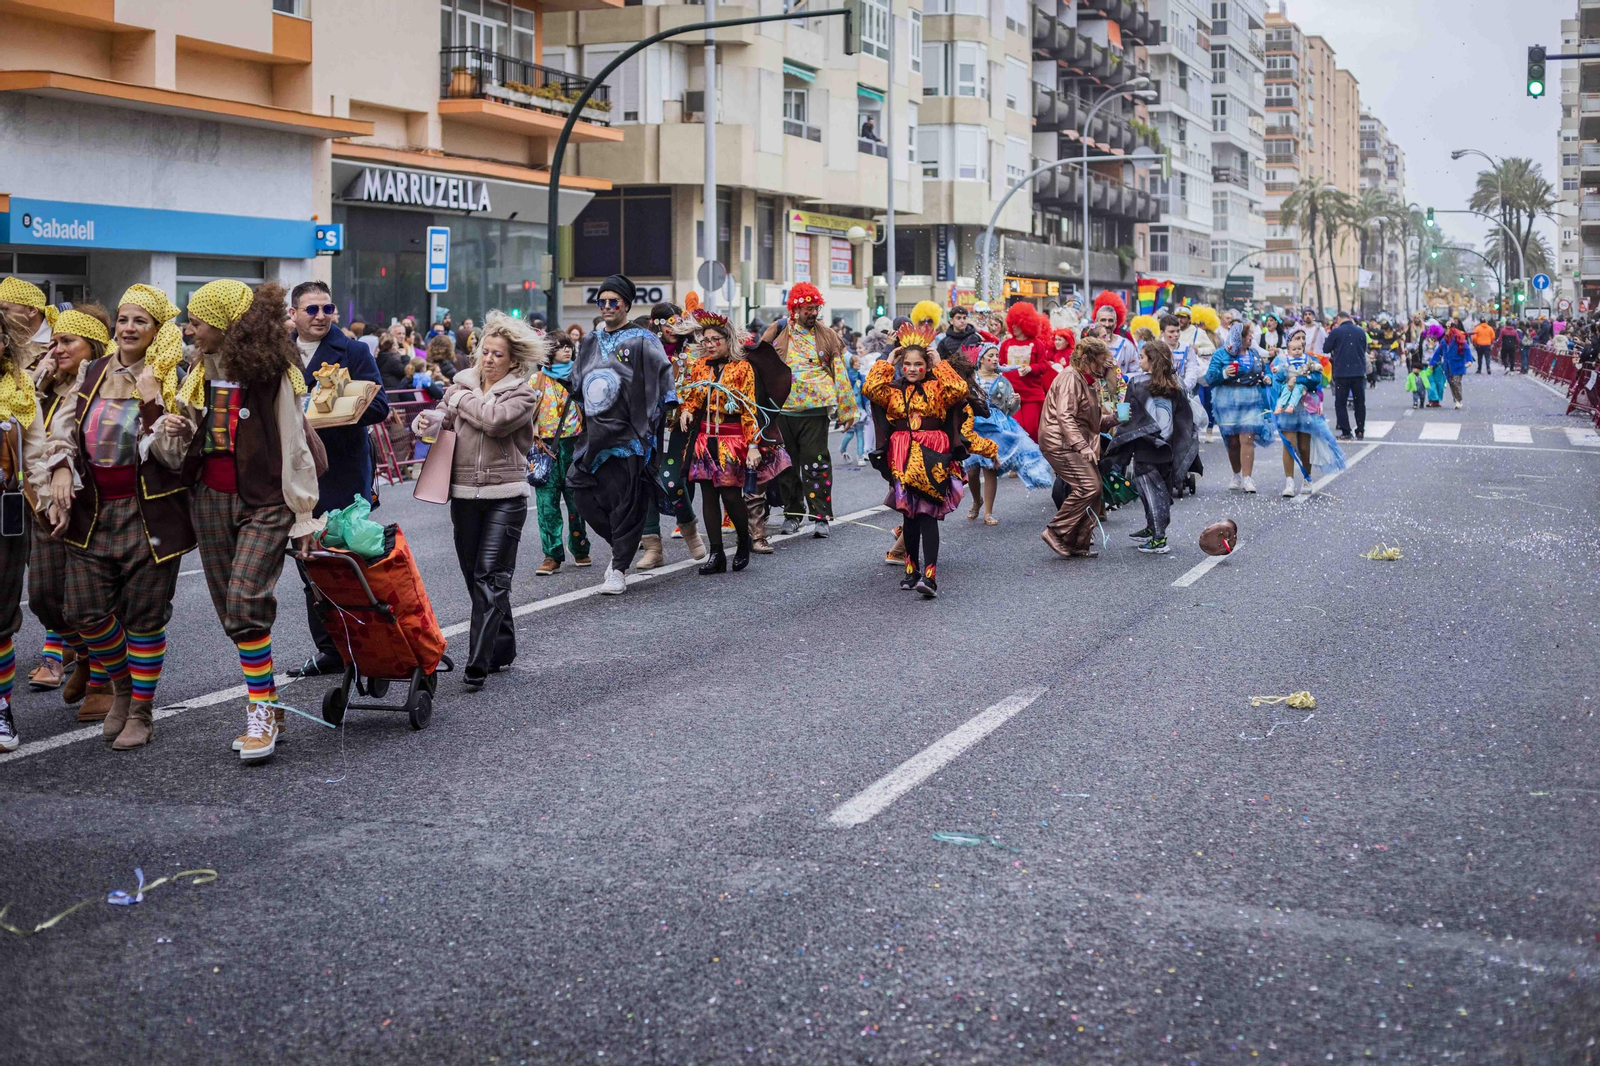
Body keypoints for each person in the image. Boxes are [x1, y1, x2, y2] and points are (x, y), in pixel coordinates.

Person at [168, 280, 323, 761]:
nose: (189, 330)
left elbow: (295, 447)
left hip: (265, 501)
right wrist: (164, 426)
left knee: (246, 598)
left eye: (197, 322)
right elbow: (179, 445)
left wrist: (303, 517)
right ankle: (268, 702)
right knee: (231, 613)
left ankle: (259, 712)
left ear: (225, 325)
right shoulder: (197, 371)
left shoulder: (274, 370)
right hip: (210, 499)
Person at [42, 285, 195, 751]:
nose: (128, 329)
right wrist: (63, 467)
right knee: (84, 609)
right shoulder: (93, 370)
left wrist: (152, 401)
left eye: (139, 322)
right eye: (124, 320)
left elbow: (175, 458)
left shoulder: (175, 375)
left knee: (145, 618)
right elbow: (62, 426)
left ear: (156, 331)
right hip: (94, 514)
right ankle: (124, 688)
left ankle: (141, 711)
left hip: (151, 514)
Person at [418, 314, 542, 688]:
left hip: (505, 495)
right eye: (485, 352)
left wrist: (459, 398)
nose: (488, 359)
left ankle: (478, 661)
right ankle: (502, 647)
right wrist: (428, 420)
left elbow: (494, 421)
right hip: (463, 494)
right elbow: (443, 418)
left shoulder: (522, 392)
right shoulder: (461, 385)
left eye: (497, 354)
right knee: (478, 578)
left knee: (490, 575)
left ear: (513, 361)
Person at [287, 281, 391, 677]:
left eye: (327, 308)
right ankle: (330, 649)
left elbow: (379, 405)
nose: (320, 316)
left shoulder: (353, 350)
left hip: (342, 471)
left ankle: (368, 643)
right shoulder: (279, 353)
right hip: (296, 474)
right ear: (293, 314)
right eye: (311, 309)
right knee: (307, 559)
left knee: (349, 561)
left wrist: (338, 407)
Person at [862, 324, 995, 598]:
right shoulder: (894, 390)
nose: (911, 369)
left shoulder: (938, 389)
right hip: (901, 453)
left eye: (918, 364)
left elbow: (958, 391)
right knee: (908, 515)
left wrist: (940, 363)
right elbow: (870, 388)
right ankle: (911, 571)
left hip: (932, 452)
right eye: (907, 364)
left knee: (927, 515)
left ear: (927, 365)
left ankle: (930, 578)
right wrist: (888, 361)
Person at [23, 307, 113, 713]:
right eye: (54, 341)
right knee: (43, 597)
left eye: (67, 342)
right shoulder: (41, 384)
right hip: (42, 503)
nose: (56, 349)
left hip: (87, 505)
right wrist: (37, 377)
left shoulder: (99, 384)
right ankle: (84, 655)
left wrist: (63, 469)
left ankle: (104, 682)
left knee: (86, 601)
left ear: (90, 347)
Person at [568, 274, 675, 595]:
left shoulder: (643, 339)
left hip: (630, 437)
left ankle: (618, 567)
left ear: (627, 305)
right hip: (594, 436)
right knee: (580, 491)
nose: (607, 307)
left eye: (613, 302)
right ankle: (622, 545)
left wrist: (667, 406)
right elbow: (577, 382)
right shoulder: (589, 341)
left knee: (626, 502)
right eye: (602, 302)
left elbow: (662, 372)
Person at [676, 307, 790, 574]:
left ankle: (742, 541)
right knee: (707, 495)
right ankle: (716, 554)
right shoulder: (699, 367)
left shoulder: (742, 369)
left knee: (731, 496)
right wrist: (686, 410)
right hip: (704, 439)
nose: (710, 345)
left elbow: (749, 409)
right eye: (706, 340)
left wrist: (753, 446)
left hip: (732, 439)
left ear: (728, 340)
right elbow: (692, 397)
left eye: (716, 339)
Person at [762, 283, 858, 537]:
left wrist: (848, 411)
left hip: (815, 411)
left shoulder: (827, 334)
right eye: (807, 309)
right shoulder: (779, 331)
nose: (813, 313)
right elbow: (759, 362)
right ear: (795, 309)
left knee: (816, 464)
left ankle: (821, 517)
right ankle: (793, 515)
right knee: (786, 467)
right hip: (783, 410)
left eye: (815, 308)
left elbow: (840, 372)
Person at [0, 305, 53, 752]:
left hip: (5, 517)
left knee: (0, 619)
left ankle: (1, 708)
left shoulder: (21, 393)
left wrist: (52, 505)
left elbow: (36, 459)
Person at [1106, 339, 1198, 554]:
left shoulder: (1136, 383)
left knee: (1149, 491)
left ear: (1152, 361)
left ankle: (1159, 539)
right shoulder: (1177, 384)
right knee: (1161, 491)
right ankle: (1152, 528)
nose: (1139, 361)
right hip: (1168, 447)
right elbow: (1185, 417)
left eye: (1142, 357)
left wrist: (1119, 439)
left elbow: (1125, 415)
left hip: (1145, 447)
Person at [1039, 336, 1116, 557]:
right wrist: (1082, 446)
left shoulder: (1086, 380)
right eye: (1099, 362)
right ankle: (1056, 532)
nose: (1102, 367)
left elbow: (1091, 423)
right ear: (1085, 359)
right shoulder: (1070, 378)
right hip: (1060, 442)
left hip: (1071, 442)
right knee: (1089, 486)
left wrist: (1114, 420)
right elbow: (1065, 417)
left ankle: (1076, 541)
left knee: (1094, 489)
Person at [964, 342, 1053, 523]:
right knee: (971, 471)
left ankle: (988, 512)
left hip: (996, 427)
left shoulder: (1002, 381)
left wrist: (1015, 402)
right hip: (974, 424)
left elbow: (1007, 409)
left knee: (990, 469)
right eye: (991, 355)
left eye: (997, 356)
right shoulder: (971, 378)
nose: (995, 359)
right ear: (981, 359)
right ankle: (976, 501)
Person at [530, 334, 591, 576]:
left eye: (569, 346)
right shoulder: (536, 380)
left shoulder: (579, 377)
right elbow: (526, 413)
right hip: (544, 447)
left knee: (577, 501)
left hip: (575, 444)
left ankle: (580, 547)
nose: (567, 350)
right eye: (560, 347)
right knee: (546, 504)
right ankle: (551, 555)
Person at [1270, 329, 1346, 497]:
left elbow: (1316, 379)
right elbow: (1277, 379)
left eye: (1304, 338)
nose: (1302, 341)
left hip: (1306, 406)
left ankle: (1307, 477)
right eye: (1298, 338)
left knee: (1304, 446)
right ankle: (1289, 482)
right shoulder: (1281, 359)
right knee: (1289, 445)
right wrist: (1283, 376)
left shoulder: (1311, 359)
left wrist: (1297, 379)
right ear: (1289, 342)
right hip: (1288, 405)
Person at [1203, 321, 1272, 492]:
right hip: (1227, 400)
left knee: (1247, 439)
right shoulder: (1221, 354)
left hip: (1251, 399)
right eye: (1249, 335)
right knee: (1233, 442)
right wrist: (1223, 373)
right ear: (1239, 337)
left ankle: (1248, 479)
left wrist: (1266, 378)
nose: (1252, 338)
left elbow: (1263, 371)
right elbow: (1209, 378)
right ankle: (1236, 474)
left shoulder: (1254, 353)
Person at [1322, 310, 1369, 439]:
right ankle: (1360, 430)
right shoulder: (1360, 331)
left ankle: (1346, 431)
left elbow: (1326, 348)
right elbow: (1364, 348)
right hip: (1359, 372)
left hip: (1342, 372)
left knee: (1340, 403)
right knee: (1359, 402)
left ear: (1338, 319)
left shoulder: (1336, 332)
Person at [1092, 291, 1139, 376]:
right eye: (1103, 320)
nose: (1107, 324)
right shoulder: (1089, 344)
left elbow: (1136, 370)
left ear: (1116, 323)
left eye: (1110, 320)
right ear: (1096, 321)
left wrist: (1125, 379)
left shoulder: (1126, 345)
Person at [1436, 320, 1472, 409]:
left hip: (1458, 364)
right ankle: (1455, 399)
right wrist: (1433, 362)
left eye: (1447, 329)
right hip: (1448, 366)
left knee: (1456, 382)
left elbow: (1466, 350)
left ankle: (1459, 399)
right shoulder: (1444, 341)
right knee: (1451, 383)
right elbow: (1438, 352)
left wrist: (1469, 360)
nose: (1445, 331)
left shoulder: (1459, 339)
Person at [839, 353, 867, 463]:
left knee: (860, 433)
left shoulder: (860, 377)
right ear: (852, 363)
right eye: (857, 362)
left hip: (860, 410)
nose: (859, 363)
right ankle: (842, 449)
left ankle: (860, 455)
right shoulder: (846, 378)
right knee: (850, 433)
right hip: (850, 410)